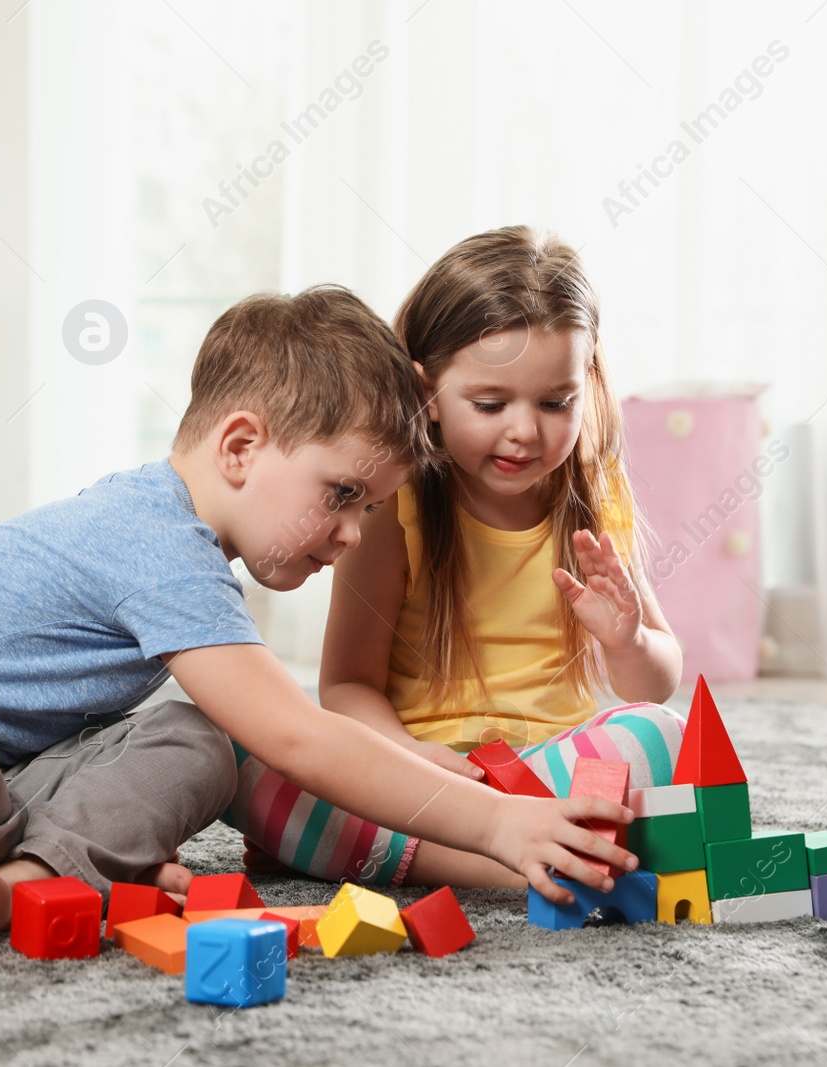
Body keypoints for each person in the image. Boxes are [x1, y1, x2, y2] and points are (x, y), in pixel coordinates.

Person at [0, 283, 638, 952]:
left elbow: (256, 739)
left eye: (369, 507)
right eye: (341, 494)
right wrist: (495, 823)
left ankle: (25, 883)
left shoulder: (194, 557)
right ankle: (74, 865)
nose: (352, 533)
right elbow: (298, 736)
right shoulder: (151, 534)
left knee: (196, 742)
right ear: (242, 446)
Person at [229, 228, 685, 899]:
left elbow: (657, 682)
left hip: (543, 776)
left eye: (555, 402)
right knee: (238, 747)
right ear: (427, 392)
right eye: (490, 403)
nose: (525, 430)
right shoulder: (393, 502)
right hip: (416, 780)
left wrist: (629, 639)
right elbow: (348, 686)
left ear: (585, 385)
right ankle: (500, 859)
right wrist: (412, 759)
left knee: (660, 736)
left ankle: (436, 852)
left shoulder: (593, 494)